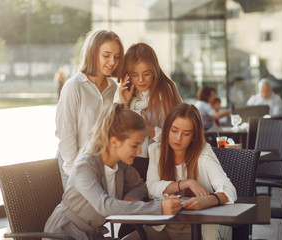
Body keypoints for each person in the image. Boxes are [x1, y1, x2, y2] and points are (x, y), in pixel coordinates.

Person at [43, 103, 182, 240]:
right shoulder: (85, 165)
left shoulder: (120, 165)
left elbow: (140, 186)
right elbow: (104, 206)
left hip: (93, 235)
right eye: (134, 145)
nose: (139, 151)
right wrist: (158, 208)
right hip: (65, 234)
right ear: (115, 141)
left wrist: (131, 199)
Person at [125, 103, 237, 240]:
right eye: (174, 131)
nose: (178, 138)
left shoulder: (204, 152)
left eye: (186, 134)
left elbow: (229, 190)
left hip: (197, 230)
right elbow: (151, 187)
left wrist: (207, 201)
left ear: (194, 136)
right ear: (167, 130)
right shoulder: (156, 150)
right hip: (164, 226)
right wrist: (186, 183)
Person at [55, 30, 124, 187]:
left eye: (117, 56)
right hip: (72, 165)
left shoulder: (112, 87)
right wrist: (76, 174)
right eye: (106, 56)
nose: (113, 62)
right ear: (93, 54)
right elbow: (66, 136)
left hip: (99, 165)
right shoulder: (74, 86)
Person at [118, 42, 182, 182]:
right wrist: (123, 103)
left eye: (146, 74)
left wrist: (150, 131)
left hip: (161, 162)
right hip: (132, 162)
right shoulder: (125, 94)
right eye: (134, 75)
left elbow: (179, 136)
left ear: (154, 71)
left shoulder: (166, 94)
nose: (140, 80)